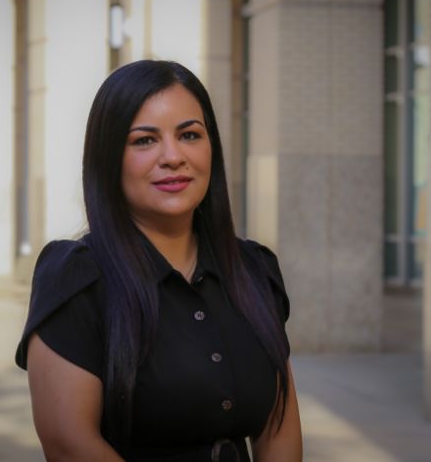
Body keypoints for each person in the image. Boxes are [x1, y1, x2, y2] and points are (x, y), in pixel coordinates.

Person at [15, 60, 302, 461]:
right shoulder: (77, 277)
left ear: (211, 147)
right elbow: (68, 443)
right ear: (109, 158)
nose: (172, 156)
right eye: (144, 141)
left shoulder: (253, 269)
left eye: (189, 134)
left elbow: (279, 427)